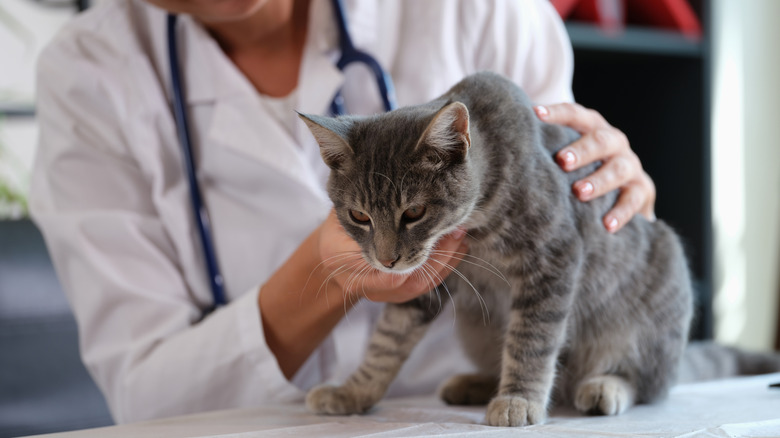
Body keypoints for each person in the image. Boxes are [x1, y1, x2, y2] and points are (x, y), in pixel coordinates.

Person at [30, 0, 656, 424]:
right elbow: (147, 401)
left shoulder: (480, 8)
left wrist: (615, 193)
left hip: (467, 417)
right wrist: (323, 268)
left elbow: (561, 245)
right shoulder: (88, 72)